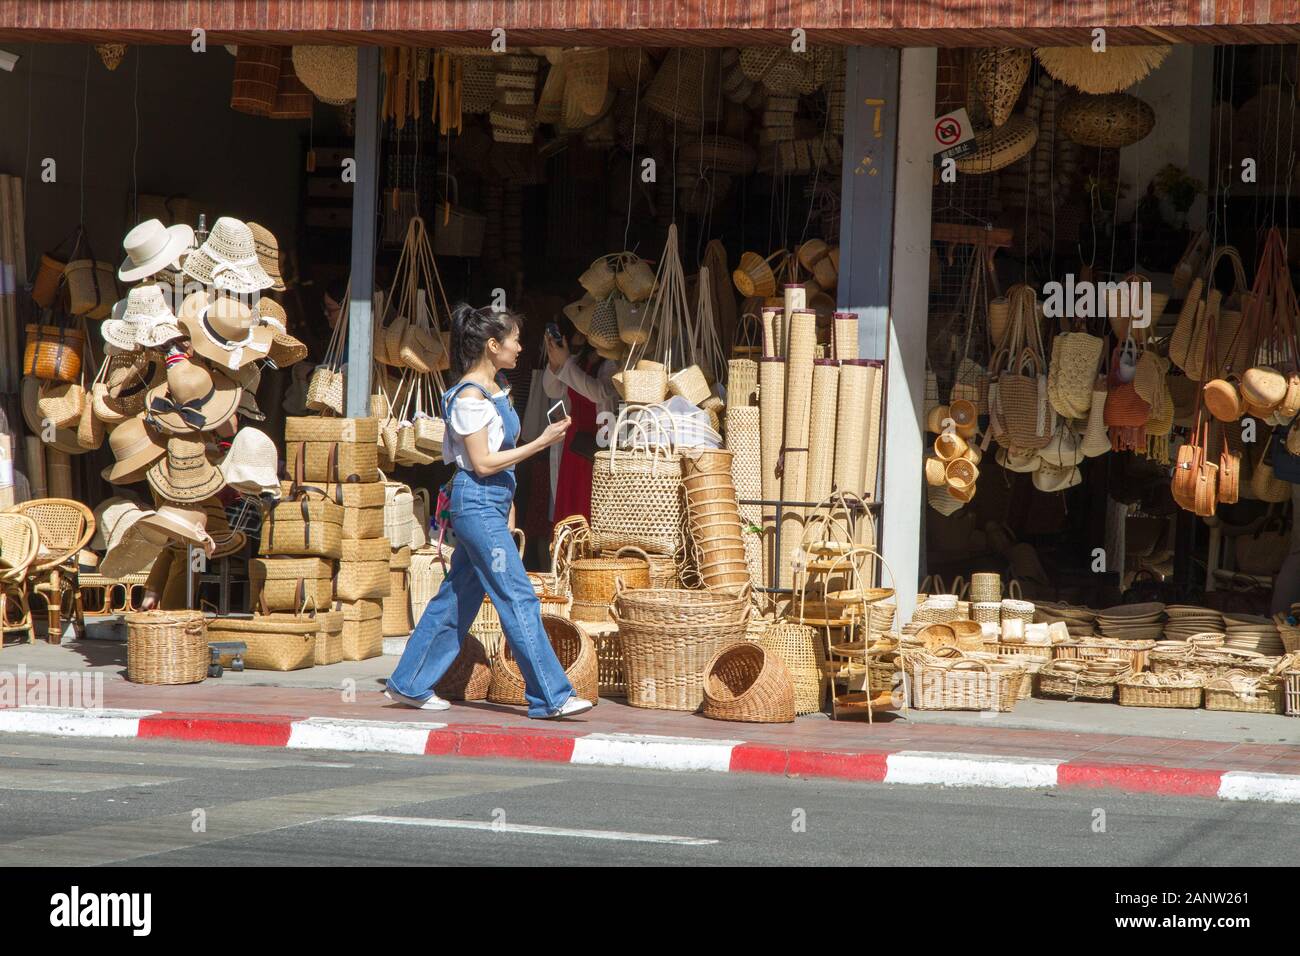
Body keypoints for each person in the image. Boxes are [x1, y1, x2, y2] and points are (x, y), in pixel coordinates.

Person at [384, 303, 590, 718]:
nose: (519, 346)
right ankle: (551, 696)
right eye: (513, 339)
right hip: (476, 502)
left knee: (456, 599)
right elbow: (482, 463)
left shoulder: (494, 391)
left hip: (488, 505)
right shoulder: (470, 398)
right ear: (492, 345)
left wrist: (507, 507)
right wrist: (541, 443)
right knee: (517, 596)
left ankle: (408, 682)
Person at [542, 322, 619, 522]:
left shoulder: (612, 362)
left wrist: (565, 363)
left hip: (597, 443)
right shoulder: (577, 360)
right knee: (570, 499)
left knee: (591, 500)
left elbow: (599, 393)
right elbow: (552, 389)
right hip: (573, 443)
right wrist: (555, 363)